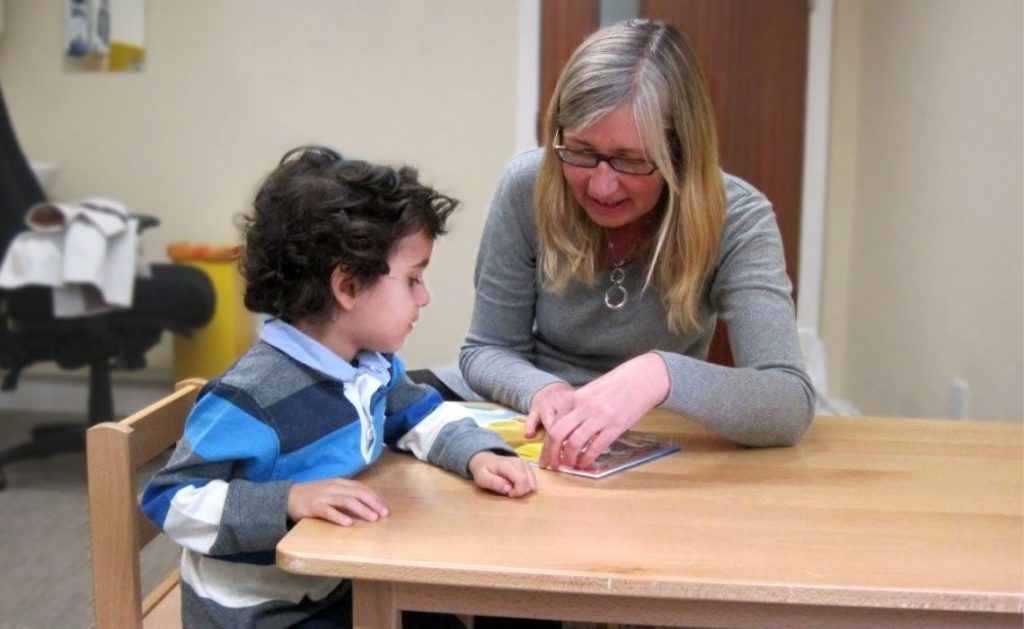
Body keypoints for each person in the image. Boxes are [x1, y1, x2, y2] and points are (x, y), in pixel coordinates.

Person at [141, 146, 537, 629]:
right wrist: (288, 501)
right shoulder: (252, 396)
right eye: (413, 279)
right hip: (257, 612)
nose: (425, 296)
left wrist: (478, 455)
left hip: (331, 580)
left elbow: (419, 415)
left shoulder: (370, 365)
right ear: (347, 287)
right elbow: (170, 499)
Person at [438, 18, 815, 473]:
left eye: (630, 160)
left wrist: (661, 374)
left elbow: (788, 403)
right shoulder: (527, 185)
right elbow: (486, 350)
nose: (601, 185)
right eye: (580, 151)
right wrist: (544, 391)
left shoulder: (739, 217)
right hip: (525, 421)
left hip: (655, 433)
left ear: (682, 153)